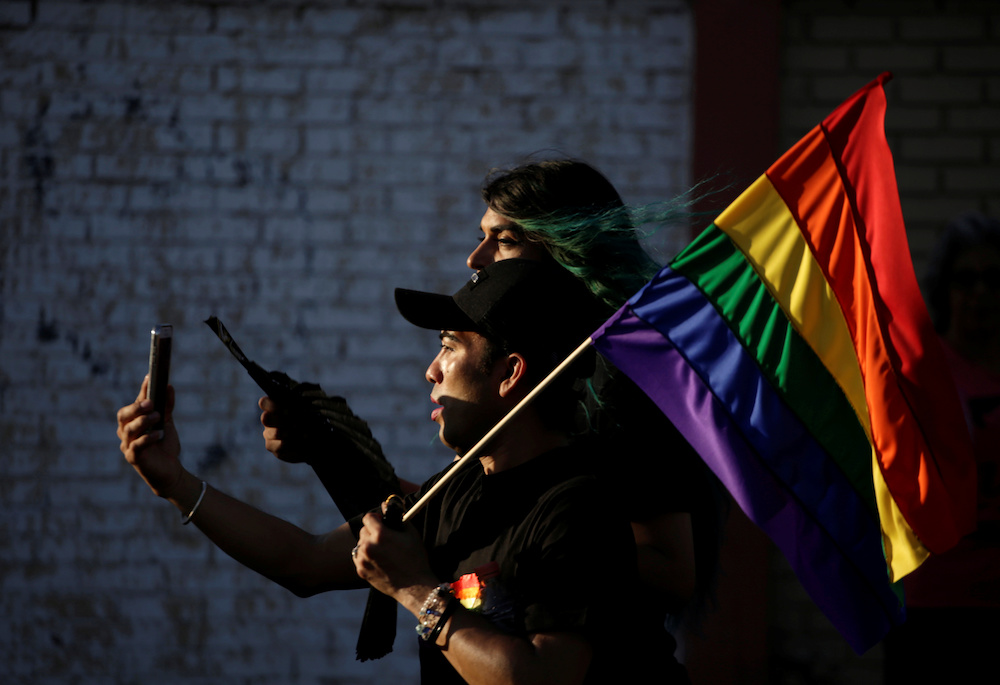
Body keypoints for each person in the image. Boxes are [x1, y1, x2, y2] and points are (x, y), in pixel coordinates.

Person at [117, 259, 690, 684]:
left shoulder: (577, 506)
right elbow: (305, 562)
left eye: (448, 347)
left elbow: (539, 678)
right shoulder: (459, 486)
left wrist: (416, 590)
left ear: (511, 373)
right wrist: (176, 482)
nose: (430, 371)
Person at [262, 158, 725, 628]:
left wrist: (549, 534)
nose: (476, 258)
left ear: (567, 249)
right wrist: (334, 452)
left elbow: (674, 572)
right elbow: (464, 507)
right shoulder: (533, 378)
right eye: (482, 235)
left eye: (503, 240)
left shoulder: (621, 377)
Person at [883, 212, 1000, 683]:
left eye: (994, 279)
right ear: (945, 287)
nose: (980, 293)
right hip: (933, 603)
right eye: (966, 279)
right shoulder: (920, 373)